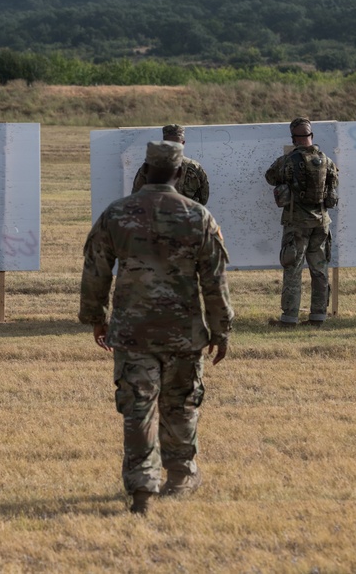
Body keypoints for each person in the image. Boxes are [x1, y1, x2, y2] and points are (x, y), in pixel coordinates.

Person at [79, 140, 234, 515]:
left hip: (133, 332)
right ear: (180, 174)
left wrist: (96, 318)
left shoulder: (117, 214)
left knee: (138, 408)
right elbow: (214, 281)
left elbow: (95, 270)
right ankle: (180, 475)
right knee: (180, 404)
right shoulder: (198, 216)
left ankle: (142, 488)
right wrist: (221, 329)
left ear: (145, 171)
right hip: (183, 332)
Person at [265, 117, 339, 328]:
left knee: (293, 269)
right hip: (322, 222)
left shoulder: (287, 160)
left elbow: (270, 176)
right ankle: (318, 316)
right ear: (311, 136)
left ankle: (289, 318)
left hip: (297, 223)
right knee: (319, 269)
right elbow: (334, 183)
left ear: (293, 138)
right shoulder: (326, 160)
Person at [131, 124, 209, 204]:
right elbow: (203, 198)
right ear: (183, 143)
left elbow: (136, 195)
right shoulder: (194, 167)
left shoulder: (151, 167)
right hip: (185, 214)